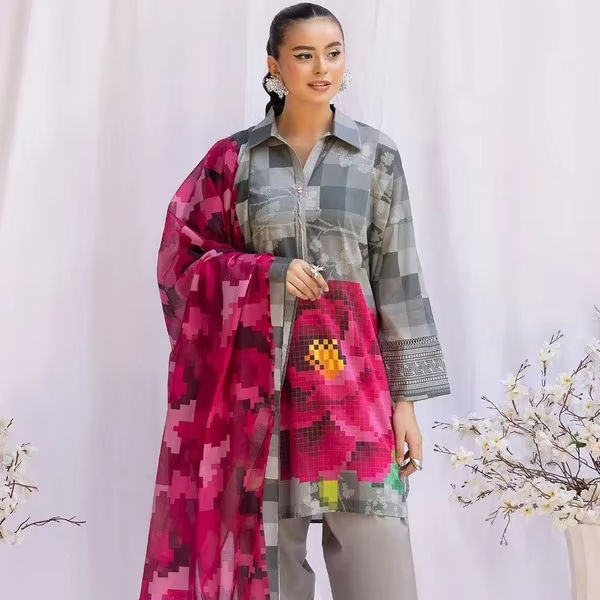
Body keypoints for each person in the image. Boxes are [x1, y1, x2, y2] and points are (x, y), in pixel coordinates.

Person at [139, 3, 451, 600]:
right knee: (269, 567)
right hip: (261, 397)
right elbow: (182, 260)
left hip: (352, 393)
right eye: (304, 55)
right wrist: (267, 273)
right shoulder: (235, 161)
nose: (321, 68)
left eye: (333, 53)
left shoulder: (375, 157)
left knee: (378, 558)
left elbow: (398, 278)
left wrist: (405, 405)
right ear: (274, 65)